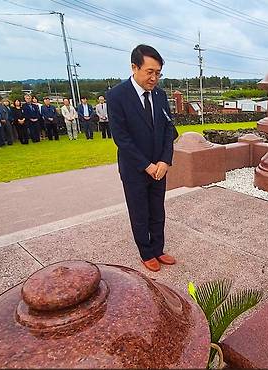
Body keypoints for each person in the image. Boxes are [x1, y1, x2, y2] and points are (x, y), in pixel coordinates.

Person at [107, 44, 176, 272]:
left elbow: (168, 129)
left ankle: (158, 249)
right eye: (150, 72)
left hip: (160, 166)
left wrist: (165, 161)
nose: (154, 78)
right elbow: (121, 138)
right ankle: (146, 252)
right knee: (140, 212)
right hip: (135, 168)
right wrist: (146, 165)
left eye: (158, 73)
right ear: (134, 67)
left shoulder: (160, 95)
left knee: (158, 210)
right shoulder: (117, 95)